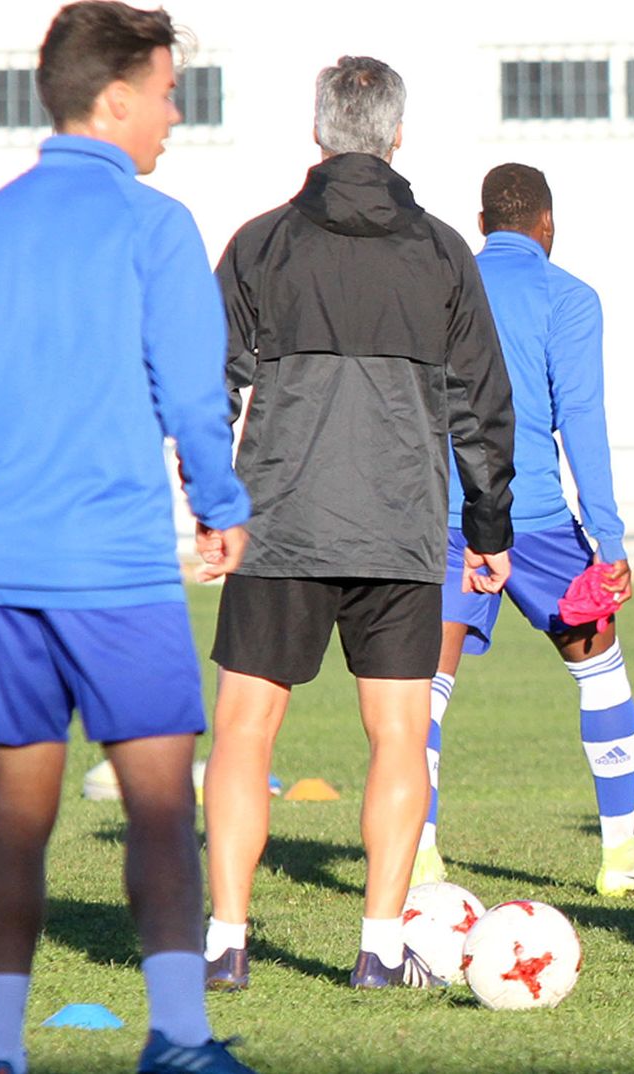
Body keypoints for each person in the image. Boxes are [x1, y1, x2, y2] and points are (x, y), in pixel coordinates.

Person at [0, 4, 257, 1072]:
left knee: (16, 819)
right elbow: (189, 395)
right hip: (112, 569)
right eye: (171, 91)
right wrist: (221, 507)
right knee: (152, 809)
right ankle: (178, 1039)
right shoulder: (154, 225)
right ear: (118, 97)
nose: (177, 116)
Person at [200, 55, 515, 991]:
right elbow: (482, 406)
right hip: (398, 531)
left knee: (246, 734)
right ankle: (379, 947)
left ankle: (226, 942)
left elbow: (204, 383)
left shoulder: (261, 245)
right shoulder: (443, 251)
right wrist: (490, 526)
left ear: (320, 132)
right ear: (397, 135)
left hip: (280, 529)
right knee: (398, 736)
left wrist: (215, 504)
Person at [413, 163, 634, 897]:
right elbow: (582, 420)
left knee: (425, 690)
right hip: (532, 520)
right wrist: (610, 539)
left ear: (481, 224)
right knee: (599, 669)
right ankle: (620, 858)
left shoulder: (437, 286)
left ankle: (422, 856)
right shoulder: (568, 297)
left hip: (443, 517)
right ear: (547, 225)